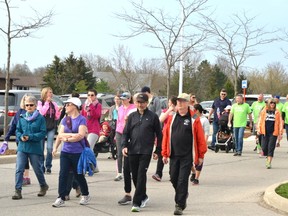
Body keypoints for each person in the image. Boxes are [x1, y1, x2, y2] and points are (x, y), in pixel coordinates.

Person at [162, 93, 207, 215]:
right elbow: (166, 136)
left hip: (187, 156)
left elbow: (200, 138)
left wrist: (201, 155)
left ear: (188, 103)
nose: (180, 104)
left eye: (183, 101)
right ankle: (183, 193)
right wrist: (164, 153)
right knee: (173, 178)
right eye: (178, 101)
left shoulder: (194, 119)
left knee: (182, 180)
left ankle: (179, 205)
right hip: (173, 155)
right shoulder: (172, 117)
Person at [122, 93, 162, 212]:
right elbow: (125, 133)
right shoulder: (132, 116)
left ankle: (136, 202)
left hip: (146, 151)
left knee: (141, 175)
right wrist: (124, 146)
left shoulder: (153, 116)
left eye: (143, 102)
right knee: (135, 175)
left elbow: (159, 135)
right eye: (138, 102)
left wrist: (158, 150)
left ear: (147, 103)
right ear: (135, 103)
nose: (141, 104)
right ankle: (143, 196)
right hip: (132, 150)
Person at [52, 97, 91, 207]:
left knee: (78, 175)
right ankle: (61, 197)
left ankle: (85, 194)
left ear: (75, 106)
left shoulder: (81, 119)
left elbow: (81, 135)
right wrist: (55, 147)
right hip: (65, 151)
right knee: (63, 174)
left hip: (77, 152)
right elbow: (60, 135)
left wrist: (68, 138)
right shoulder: (65, 119)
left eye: (68, 104)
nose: (66, 106)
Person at [12, 95, 49, 200]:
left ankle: (43, 185)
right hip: (22, 147)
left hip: (34, 148)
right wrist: (20, 136)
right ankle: (17, 191)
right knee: (19, 169)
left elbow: (42, 133)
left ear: (35, 105)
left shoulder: (40, 118)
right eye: (27, 105)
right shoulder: (22, 117)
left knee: (37, 169)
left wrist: (31, 137)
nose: (29, 107)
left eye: (31, 105)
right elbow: (17, 130)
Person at [3, 93, 32, 185]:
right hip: (19, 140)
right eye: (25, 101)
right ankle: (23, 177)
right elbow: (13, 126)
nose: (27, 104)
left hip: (30, 140)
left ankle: (27, 176)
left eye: (29, 102)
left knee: (28, 158)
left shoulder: (35, 114)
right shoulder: (19, 113)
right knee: (21, 159)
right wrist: (6, 139)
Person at [118, 93, 139, 205]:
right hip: (128, 146)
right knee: (126, 170)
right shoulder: (123, 110)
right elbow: (124, 132)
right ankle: (127, 194)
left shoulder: (137, 112)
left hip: (139, 148)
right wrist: (124, 145)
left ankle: (140, 193)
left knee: (136, 173)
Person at [152, 95, 177, 182]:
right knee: (162, 153)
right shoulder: (166, 111)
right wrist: (169, 110)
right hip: (165, 135)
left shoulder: (178, 112)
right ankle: (158, 173)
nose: (168, 104)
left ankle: (172, 173)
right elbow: (160, 120)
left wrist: (174, 110)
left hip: (174, 136)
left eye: (170, 103)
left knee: (173, 155)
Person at [37, 87, 61, 174]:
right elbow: (41, 113)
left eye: (51, 92)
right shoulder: (40, 103)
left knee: (49, 147)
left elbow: (57, 116)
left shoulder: (54, 104)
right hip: (41, 128)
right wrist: (47, 103)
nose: (50, 94)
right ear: (44, 93)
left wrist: (58, 111)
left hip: (51, 127)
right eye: (49, 92)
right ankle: (41, 166)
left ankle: (48, 166)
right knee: (41, 148)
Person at [114, 92, 135, 181]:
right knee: (119, 153)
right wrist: (116, 133)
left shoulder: (134, 108)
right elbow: (118, 121)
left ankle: (130, 171)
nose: (122, 100)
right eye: (121, 99)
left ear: (129, 99)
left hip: (130, 132)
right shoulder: (120, 108)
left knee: (129, 152)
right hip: (119, 131)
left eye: (124, 99)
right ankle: (119, 172)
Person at [257, 98, 283, 169]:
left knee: (271, 148)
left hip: (273, 132)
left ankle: (269, 162)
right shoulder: (264, 111)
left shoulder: (277, 112)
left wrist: (280, 133)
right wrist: (258, 129)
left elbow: (280, 123)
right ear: (268, 103)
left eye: (274, 103)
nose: (272, 104)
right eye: (271, 103)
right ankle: (266, 155)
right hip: (264, 132)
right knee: (264, 147)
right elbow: (260, 121)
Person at [81, 89, 102, 172]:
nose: (90, 97)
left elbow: (96, 115)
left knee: (88, 147)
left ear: (95, 96)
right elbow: (82, 116)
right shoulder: (84, 105)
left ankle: (86, 167)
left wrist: (91, 106)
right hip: (86, 128)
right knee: (89, 149)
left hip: (94, 129)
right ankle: (95, 167)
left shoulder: (98, 105)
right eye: (88, 95)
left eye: (92, 95)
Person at [190, 104, 209, 185]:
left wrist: (203, 143)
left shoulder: (204, 120)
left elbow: (206, 133)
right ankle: (193, 172)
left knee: (199, 161)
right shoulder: (193, 118)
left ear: (197, 110)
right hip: (192, 142)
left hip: (200, 143)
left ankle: (196, 178)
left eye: (194, 110)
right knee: (189, 161)